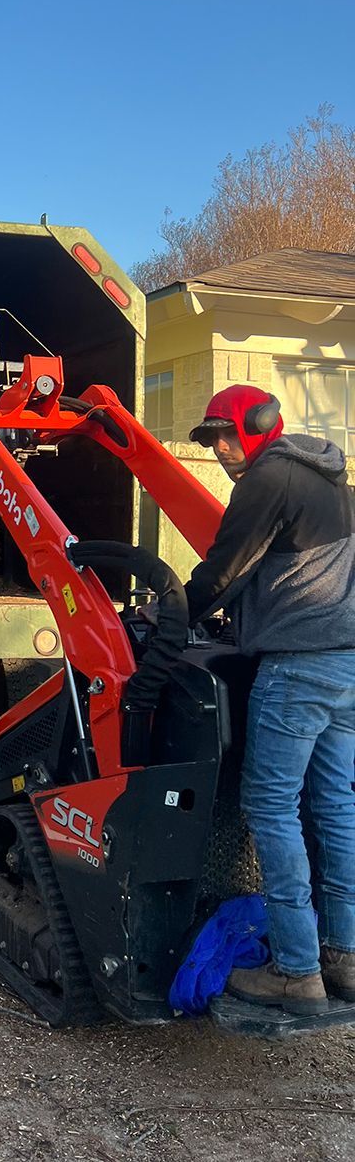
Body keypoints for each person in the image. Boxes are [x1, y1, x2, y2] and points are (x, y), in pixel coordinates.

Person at [173, 384, 355, 1014]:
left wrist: (169, 619)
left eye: (226, 435)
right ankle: (344, 958)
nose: (220, 450)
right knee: (334, 806)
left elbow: (225, 569)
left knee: (270, 808)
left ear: (258, 426)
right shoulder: (329, 476)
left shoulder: (267, 477)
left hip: (297, 668)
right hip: (346, 663)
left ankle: (296, 971)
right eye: (211, 440)